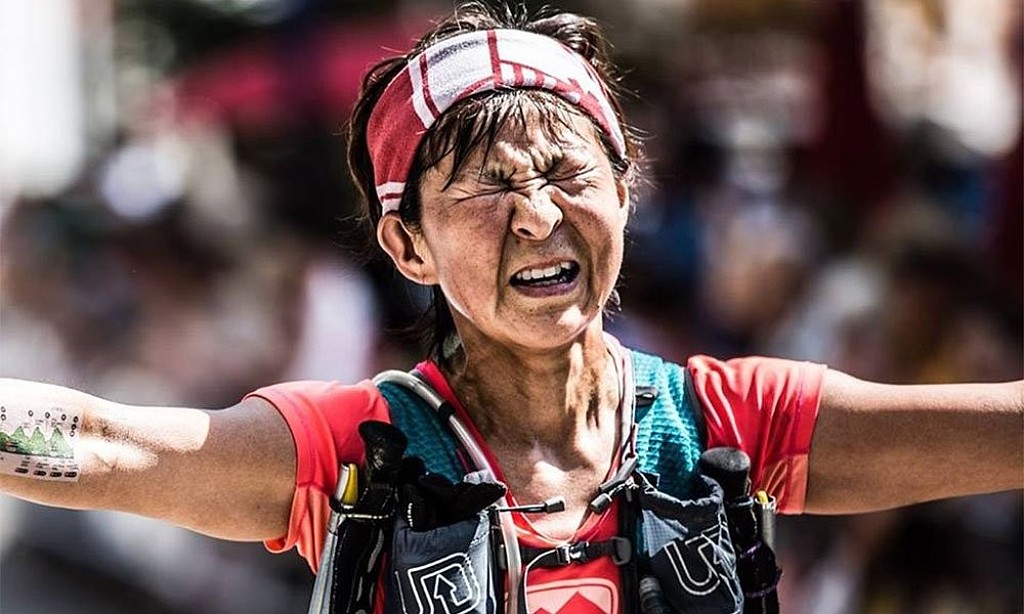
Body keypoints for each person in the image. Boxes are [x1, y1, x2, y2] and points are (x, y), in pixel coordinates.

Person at [1, 3, 1021, 613]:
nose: (538, 215)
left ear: (626, 194)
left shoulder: (725, 426)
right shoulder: (358, 453)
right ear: (407, 244)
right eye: (485, 189)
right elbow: (108, 443)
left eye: (569, 173)